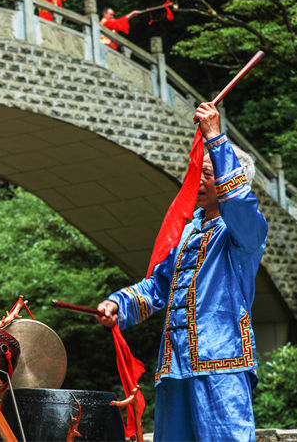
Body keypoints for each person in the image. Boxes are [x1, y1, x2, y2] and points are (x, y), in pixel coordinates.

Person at [96, 102, 268, 442]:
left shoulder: (244, 234)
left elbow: (240, 203)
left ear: (228, 178)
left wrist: (216, 139)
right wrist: (119, 304)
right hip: (175, 367)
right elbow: (158, 287)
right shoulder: (189, 232)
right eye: (198, 173)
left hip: (222, 364)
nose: (197, 181)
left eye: (208, 174)